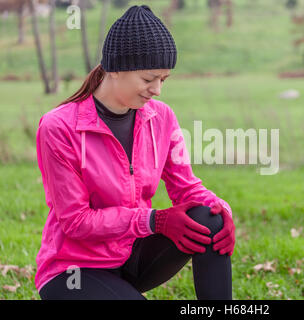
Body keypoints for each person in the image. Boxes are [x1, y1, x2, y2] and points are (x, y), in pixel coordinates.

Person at [35, 5, 235, 300]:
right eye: (148, 79)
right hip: (73, 272)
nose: (157, 90)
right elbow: (75, 221)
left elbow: (187, 187)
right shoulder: (58, 127)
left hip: (131, 258)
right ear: (115, 69)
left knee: (208, 219)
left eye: (163, 80)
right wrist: (154, 220)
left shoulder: (161, 117)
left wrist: (223, 211)